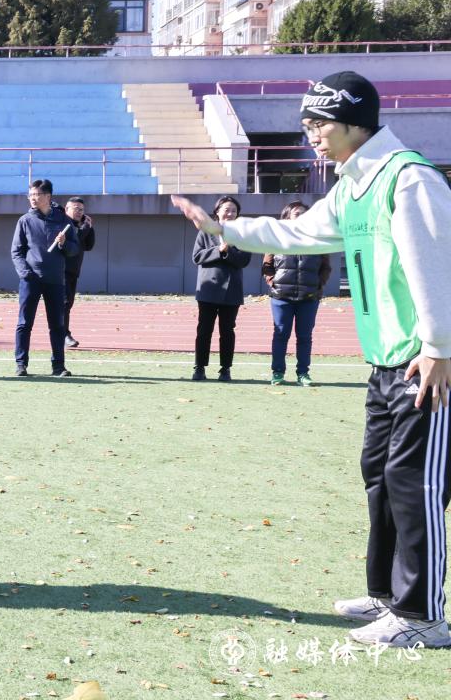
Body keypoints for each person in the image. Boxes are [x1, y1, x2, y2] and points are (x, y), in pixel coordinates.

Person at [172, 70, 451, 648]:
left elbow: (440, 268)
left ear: (354, 122)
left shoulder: (410, 179)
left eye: (318, 124)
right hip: (386, 364)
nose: (311, 135)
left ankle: (423, 616)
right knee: (381, 478)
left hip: (427, 364)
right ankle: (388, 597)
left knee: (415, 485)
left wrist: (439, 348)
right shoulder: (353, 187)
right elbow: (296, 234)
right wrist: (225, 228)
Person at [12, 179, 80, 377]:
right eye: (31, 195)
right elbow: (16, 252)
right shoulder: (25, 221)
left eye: (37, 195)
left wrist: (64, 243)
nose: (33, 198)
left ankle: (58, 366)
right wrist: (26, 274)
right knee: (24, 323)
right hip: (30, 280)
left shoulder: (63, 220)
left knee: (57, 325)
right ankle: (21, 364)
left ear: (48, 197)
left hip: (55, 280)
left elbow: (74, 250)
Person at [263, 201, 331, 387]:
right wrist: (273, 282)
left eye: (304, 213)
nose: (301, 216)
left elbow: (325, 267)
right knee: (280, 334)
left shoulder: (318, 239)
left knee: (304, 337)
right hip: (281, 297)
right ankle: (278, 372)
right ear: (287, 217)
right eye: (297, 213)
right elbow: (267, 266)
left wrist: (317, 285)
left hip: (308, 298)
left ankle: (303, 373)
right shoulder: (275, 239)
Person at [191, 196, 252, 382]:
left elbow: (244, 260)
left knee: (227, 331)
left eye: (234, 210)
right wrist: (219, 250)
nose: (230, 213)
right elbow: (197, 256)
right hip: (208, 289)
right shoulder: (205, 231)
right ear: (217, 212)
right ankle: (199, 367)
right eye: (226, 209)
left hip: (231, 291)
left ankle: (225, 369)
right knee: (204, 330)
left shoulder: (242, 234)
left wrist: (228, 250)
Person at [62, 196, 96, 348]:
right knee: (64, 304)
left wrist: (90, 227)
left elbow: (89, 246)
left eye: (81, 210)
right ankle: (64, 335)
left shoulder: (80, 226)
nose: (79, 212)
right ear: (66, 209)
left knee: (67, 304)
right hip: (60, 271)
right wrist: (85, 228)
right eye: (76, 209)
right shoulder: (63, 224)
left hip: (73, 272)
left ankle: (61, 333)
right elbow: (74, 240)